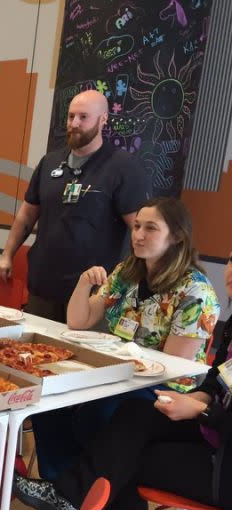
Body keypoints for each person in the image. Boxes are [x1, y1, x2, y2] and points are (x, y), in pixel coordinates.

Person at [12, 249, 232, 510]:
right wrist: (201, 401)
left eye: (151, 228)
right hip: (210, 432)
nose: (231, 271)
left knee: (120, 459)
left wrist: (203, 412)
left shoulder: (196, 291)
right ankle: (69, 498)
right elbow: (216, 380)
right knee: (131, 417)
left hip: (224, 466)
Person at [30, 197, 220, 482]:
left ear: (177, 236)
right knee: (47, 401)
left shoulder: (195, 292)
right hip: (117, 373)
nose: (139, 235)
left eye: (151, 228)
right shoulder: (127, 272)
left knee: (96, 413)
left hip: (164, 388)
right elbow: (79, 321)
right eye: (137, 226)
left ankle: (84, 490)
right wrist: (84, 283)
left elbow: (172, 366)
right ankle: (61, 482)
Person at [0, 89, 151, 323]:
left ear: (103, 119)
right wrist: (7, 255)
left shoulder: (122, 167)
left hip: (94, 291)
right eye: (71, 116)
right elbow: (27, 214)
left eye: (83, 117)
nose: (74, 123)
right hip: (44, 286)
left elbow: (139, 230)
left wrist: (137, 279)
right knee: (37, 351)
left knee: (79, 357)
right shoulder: (50, 162)